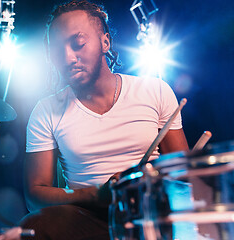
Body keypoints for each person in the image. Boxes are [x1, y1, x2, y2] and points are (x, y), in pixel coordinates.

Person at [20, 0, 189, 239]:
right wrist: (96, 195)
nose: (68, 58)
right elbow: (34, 196)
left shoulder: (155, 90)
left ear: (105, 42)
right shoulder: (46, 110)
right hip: (89, 220)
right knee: (37, 224)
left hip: (152, 212)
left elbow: (183, 176)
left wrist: (145, 184)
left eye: (78, 44)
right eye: (57, 51)